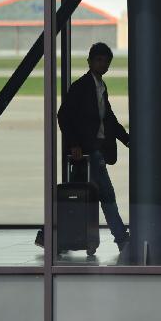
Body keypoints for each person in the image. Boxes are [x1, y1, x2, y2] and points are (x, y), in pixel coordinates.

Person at [36, 42, 131, 252]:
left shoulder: (100, 87)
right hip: (87, 152)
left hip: (94, 151)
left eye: (106, 62)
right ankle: (122, 239)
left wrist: (126, 139)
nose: (103, 65)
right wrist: (74, 144)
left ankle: (50, 236)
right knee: (105, 194)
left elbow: (108, 119)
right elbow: (63, 115)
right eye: (99, 60)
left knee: (78, 197)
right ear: (89, 62)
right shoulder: (81, 87)